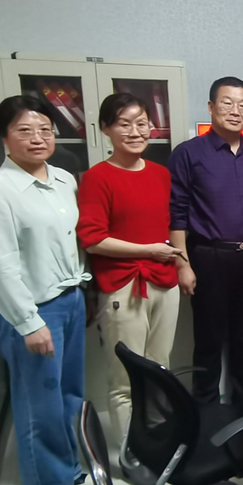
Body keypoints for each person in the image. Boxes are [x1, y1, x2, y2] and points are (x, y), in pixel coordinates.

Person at [0, 96, 91, 485]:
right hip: (34, 312)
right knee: (38, 404)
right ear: (4, 137)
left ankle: (68, 468)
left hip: (71, 298)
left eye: (45, 129)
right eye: (24, 130)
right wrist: (27, 322)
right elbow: (0, 267)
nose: (37, 138)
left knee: (68, 395)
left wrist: (85, 292)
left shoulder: (64, 179)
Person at [168, 77, 243, 410]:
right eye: (228, 103)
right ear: (211, 107)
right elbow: (176, 214)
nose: (236, 111)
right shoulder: (188, 154)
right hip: (209, 257)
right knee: (208, 341)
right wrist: (183, 264)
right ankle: (205, 415)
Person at [77, 93, 181, 451]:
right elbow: (92, 239)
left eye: (142, 123)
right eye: (124, 124)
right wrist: (149, 250)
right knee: (126, 377)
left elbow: (168, 224)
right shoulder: (97, 177)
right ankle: (131, 452)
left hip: (165, 282)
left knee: (160, 367)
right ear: (106, 129)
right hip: (124, 286)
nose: (135, 132)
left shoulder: (160, 174)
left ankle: (158, 444)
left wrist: (177, 261)